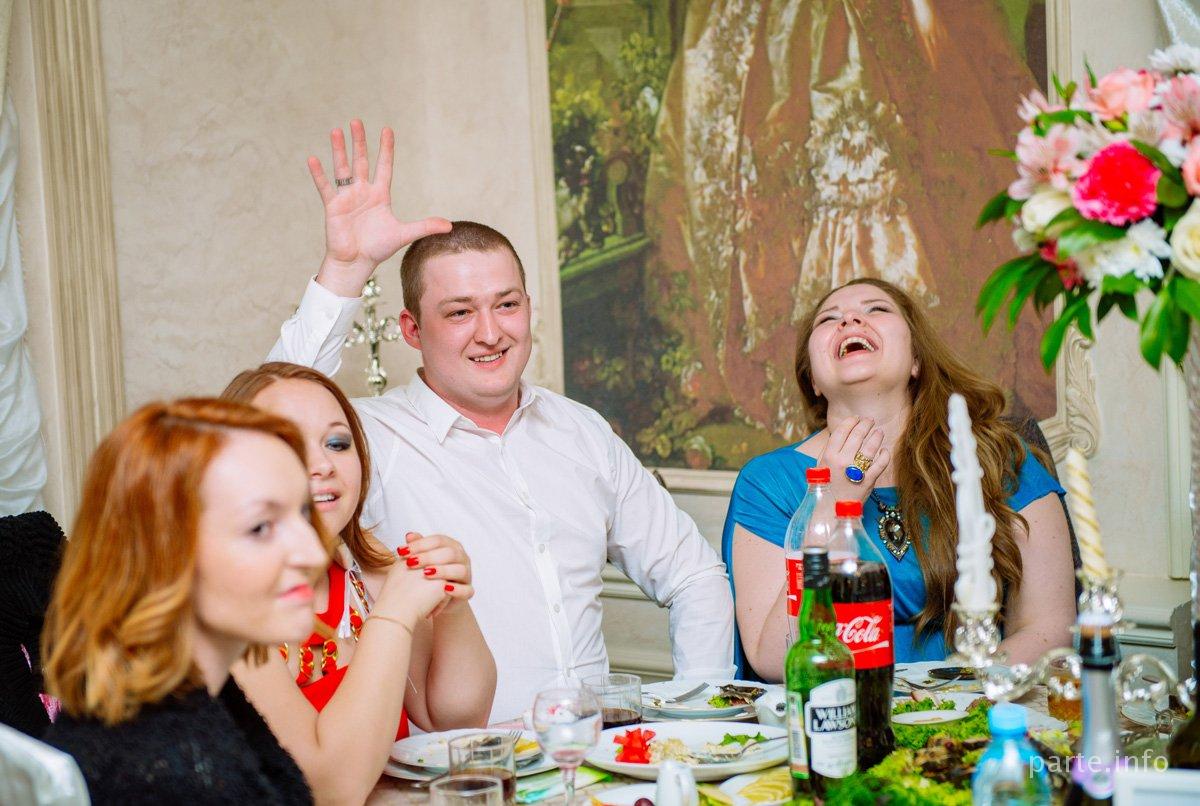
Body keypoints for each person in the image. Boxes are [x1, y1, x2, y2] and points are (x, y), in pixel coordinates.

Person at [267, 120, 735, 721]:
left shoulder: (582, 431)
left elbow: (694, 575)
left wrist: (700, 714)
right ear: (412, 330)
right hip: (454, 759)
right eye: (459, 313)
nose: (490, 333)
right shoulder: (366, 439)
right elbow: (266, 420)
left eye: (507, 305)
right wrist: (346, 268)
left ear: (527, 308)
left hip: (593, 752)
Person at [724, 279, 1074, 681]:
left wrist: (946, 693)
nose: (850, 319)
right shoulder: (766, 482)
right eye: (829, 319)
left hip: (971, 704)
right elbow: (773, 660)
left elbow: (1050, 629)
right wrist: (833, 504)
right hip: (838, 710)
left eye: (876, 309)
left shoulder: (998, 458)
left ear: (916, 362)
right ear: (813, 381)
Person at [222, 363, 494, 803]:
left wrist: (453, 605)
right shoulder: (223, 608)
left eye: (337, 443)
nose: (322, 465)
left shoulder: (364, 567)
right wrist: (394, 616)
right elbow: (329, 791)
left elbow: (453, 720)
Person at [41, 399, 327, 804]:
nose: (313, 553)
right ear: (162, 555)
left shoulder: (196, 696)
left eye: (304, 513)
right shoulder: (163, 775)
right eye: (261, 527)